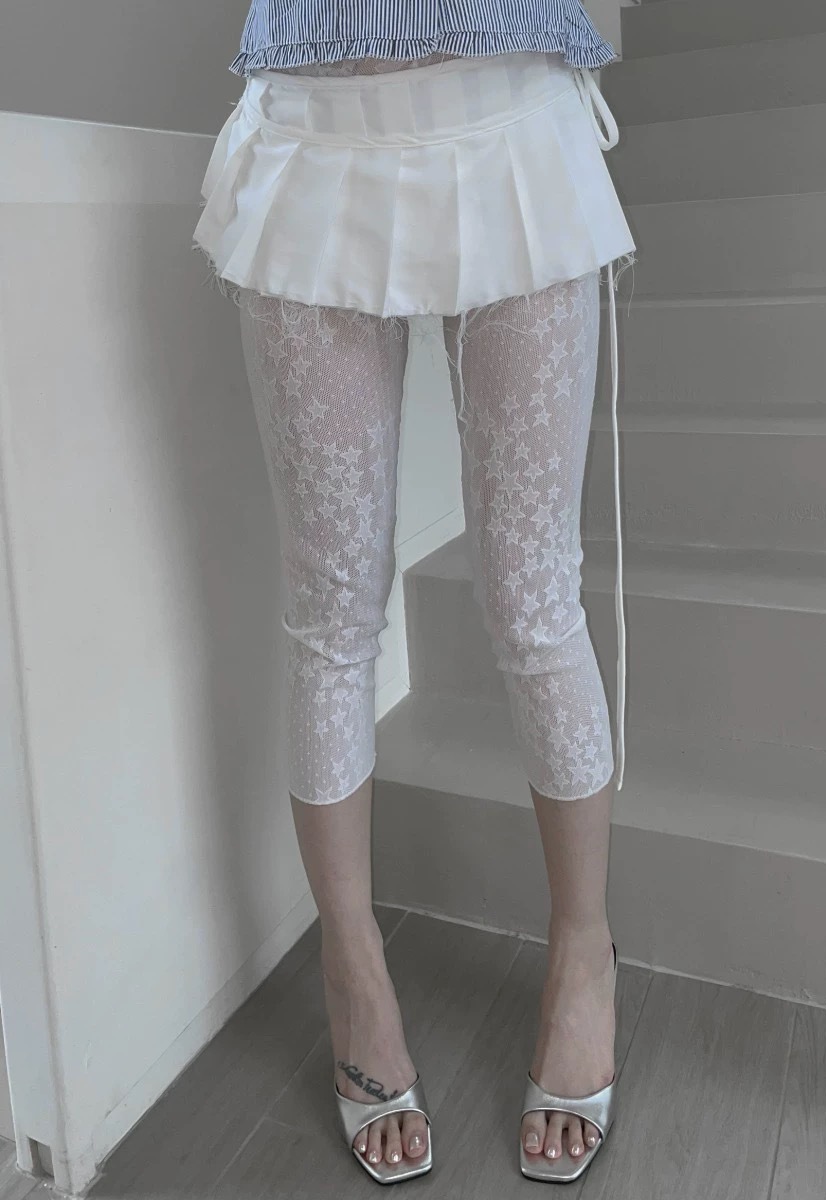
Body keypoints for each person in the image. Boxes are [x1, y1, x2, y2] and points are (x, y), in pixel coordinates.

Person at [194, 0, 635, 1185]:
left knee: (534, 598)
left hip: (514, 115)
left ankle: (584, 953)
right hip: (309, 130)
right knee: (331, 612)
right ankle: (352, 970)